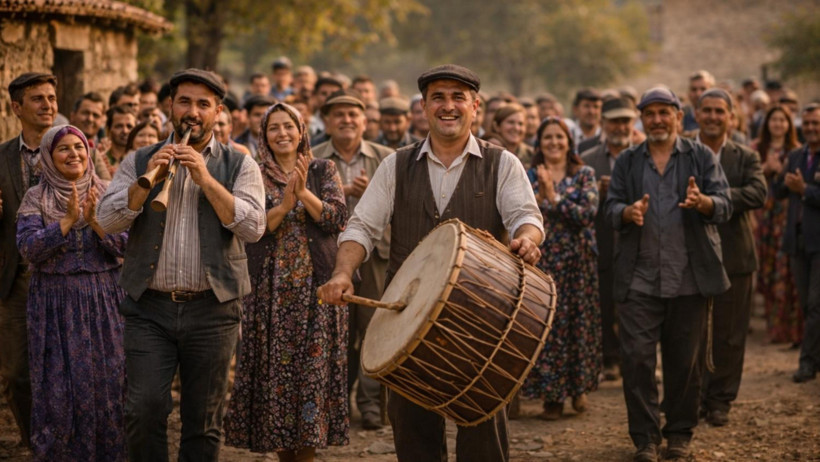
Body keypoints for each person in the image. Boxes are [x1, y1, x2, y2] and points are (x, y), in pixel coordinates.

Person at [317, 64, 544, 462]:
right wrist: (342, 273)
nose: (448, 106)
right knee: (413, 432)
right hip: (407, 319)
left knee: (483, 435)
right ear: (423, 107)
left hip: (482, 321)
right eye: (438, 97)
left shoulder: (501, 162)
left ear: (476, 105)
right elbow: (361, 228)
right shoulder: (395, 165)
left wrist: (527, 238)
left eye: (459, 97)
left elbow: (526, 215)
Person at [96, 68, 266, 461]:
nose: (193, 112)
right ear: (169, 106)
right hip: (148, 308)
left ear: (217, 112)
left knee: (203, 421)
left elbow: (255, 227)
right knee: (143, 410)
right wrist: (146, 180)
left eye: (203, 105)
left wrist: (205, 178)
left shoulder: (240, 165)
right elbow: (105, 222)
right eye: (185, 102)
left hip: (213, 309)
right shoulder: (139, 159)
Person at [604, 87, 731, 462]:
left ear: (679, 116)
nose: (657, 119)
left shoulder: (700, 156)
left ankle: (678, 435)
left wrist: (703, 202)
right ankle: (645, 440)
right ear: (642, 118)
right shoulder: (628, 161)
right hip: (639, 278)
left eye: (664, 112)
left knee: (683, 363)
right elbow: (611, 205)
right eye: (650, 113)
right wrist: (626, 213)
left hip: (689, 278)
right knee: (637, 360)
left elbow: (724, 203)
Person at [224, 102, 348, 461]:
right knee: (275, 379)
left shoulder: (323, 168)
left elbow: (337, 219)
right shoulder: (252, 173)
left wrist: (303, 192)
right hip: (269, 292)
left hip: (316, 291)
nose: (282, 134)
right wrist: (282, 206)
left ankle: (306, 455)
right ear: (264, 135)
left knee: (311, 377)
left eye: (288, 126)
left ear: (301, 130)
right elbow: (251, 229)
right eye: (274, 128)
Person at [16, 125, 128, 461]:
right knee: (59, 389)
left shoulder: (107, 191)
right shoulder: (36, 198)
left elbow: (126, 247)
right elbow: (28, 248)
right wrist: (65, 222)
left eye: (79, 147)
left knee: (109, 384)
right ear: (49, 157)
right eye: (63, 149)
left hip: (104, 303)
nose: (73, 155)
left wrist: (95, 222)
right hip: (54, 306)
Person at [313, 89, 393, 430]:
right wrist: (341, 194)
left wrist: (371, 194)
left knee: (376, 332)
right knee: (337, 334)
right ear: (327, 122)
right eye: (339, 114)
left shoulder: (388, 158)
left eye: (353, 114)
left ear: (365, 121)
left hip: (377, 257)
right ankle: (337, 404)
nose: (347, 120)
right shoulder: (312, 158)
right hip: (330, 259)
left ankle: (372, 404)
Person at [695, 89, 767, 426]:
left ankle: (721, 399)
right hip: (691, 255)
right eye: (706, 111)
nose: (712, 117)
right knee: (691, 331)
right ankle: (692, 396)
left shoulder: (745, 156)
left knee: (730, 333)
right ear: (697, 113)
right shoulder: (684, 152)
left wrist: (715, 200)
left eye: (719, 111)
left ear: (731, 117)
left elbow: (758, 192)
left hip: (735, 256)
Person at [522, 116, 602, 420]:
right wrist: (544, 198)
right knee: (548, 328)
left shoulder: (584, 174)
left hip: (578, 262)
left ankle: (578, 388)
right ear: (539, 143)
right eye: (548, 138)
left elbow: (587, 214)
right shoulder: (528, 174)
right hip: (544, 262)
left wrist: (552, 198)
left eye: (560, 137)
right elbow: (523, 212)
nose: (554, 142)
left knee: (578, 326)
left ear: (569, 142)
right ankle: (551, 398)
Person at [0, 71, 59, 448]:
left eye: (51, 97)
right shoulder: (1, 156)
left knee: (63, 368)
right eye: (37, 99)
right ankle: (34, 442)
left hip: (65, 277)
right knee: (18, 373)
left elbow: (104, 203)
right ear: (16, 107)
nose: (48, 105)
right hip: (16, 279)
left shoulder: (75, 146)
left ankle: (64, 442)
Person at [580, 96, 640, 381]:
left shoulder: (644, 154)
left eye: (625, 121)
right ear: (603, 123)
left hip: (637, 238)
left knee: (635, 301)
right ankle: (610, 357)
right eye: (614, 121)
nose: (620, 126)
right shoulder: (589, 159)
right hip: (601, 237)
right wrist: (597, 193)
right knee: (604, 300)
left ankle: (636, 358)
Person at [773, 103, 820, 383]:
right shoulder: (795, 156)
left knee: (816, 305)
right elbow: (778, 192)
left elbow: (804, 192)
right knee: (806, 304)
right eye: (808, 123)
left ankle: (806, 363)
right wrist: (780, 177)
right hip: (797, 239)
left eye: (816, 123)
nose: (812, 128)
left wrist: (806, 190)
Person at [753, 106, 803, 344]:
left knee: (787, 273)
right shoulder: (756, 149)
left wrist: (780, 171)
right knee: (768, 271)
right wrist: (766, 170)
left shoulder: (797, 151)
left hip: (787, 218)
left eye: (782, 120)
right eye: (773, 119)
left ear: (789, 124)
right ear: (767, 123)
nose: (778, 124)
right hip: (763, 217)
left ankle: (792, 329)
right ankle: (775, 328)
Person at [235, 94, 276, 160]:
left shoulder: (280, 142)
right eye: (257, 115)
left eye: (266, 115)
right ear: (248, 117)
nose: (262, 119)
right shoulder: (237, 145)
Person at [99, 105, 137, 174]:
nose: (125, 131)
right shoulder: (99, 157)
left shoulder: (140, 157)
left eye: (129, 126)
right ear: (108, 130)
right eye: (119, 126)